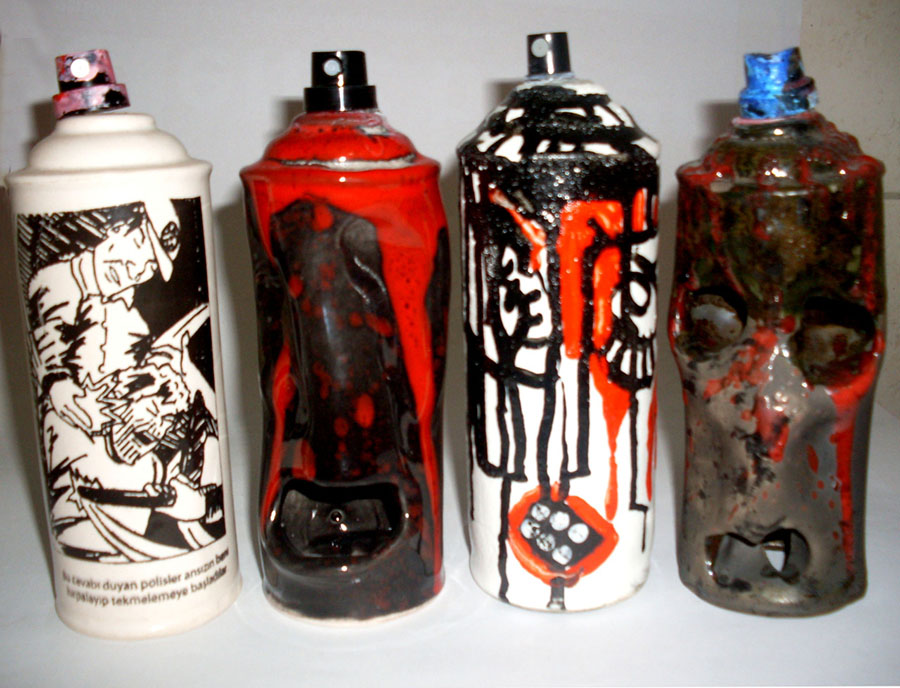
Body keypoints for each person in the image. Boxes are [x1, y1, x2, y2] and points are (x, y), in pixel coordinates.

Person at [25, 200, 221, 561]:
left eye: (149, 266)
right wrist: (63, 388)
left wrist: (163, 373)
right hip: (81, 431)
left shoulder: (123, 303)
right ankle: (83, 519)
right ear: (117, 229)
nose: (137, 270)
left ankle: (191, 502)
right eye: (138, 246)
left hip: (121, 427)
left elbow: (136, 357)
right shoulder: (57, 282)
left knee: (192, 416)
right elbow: (52, 352)